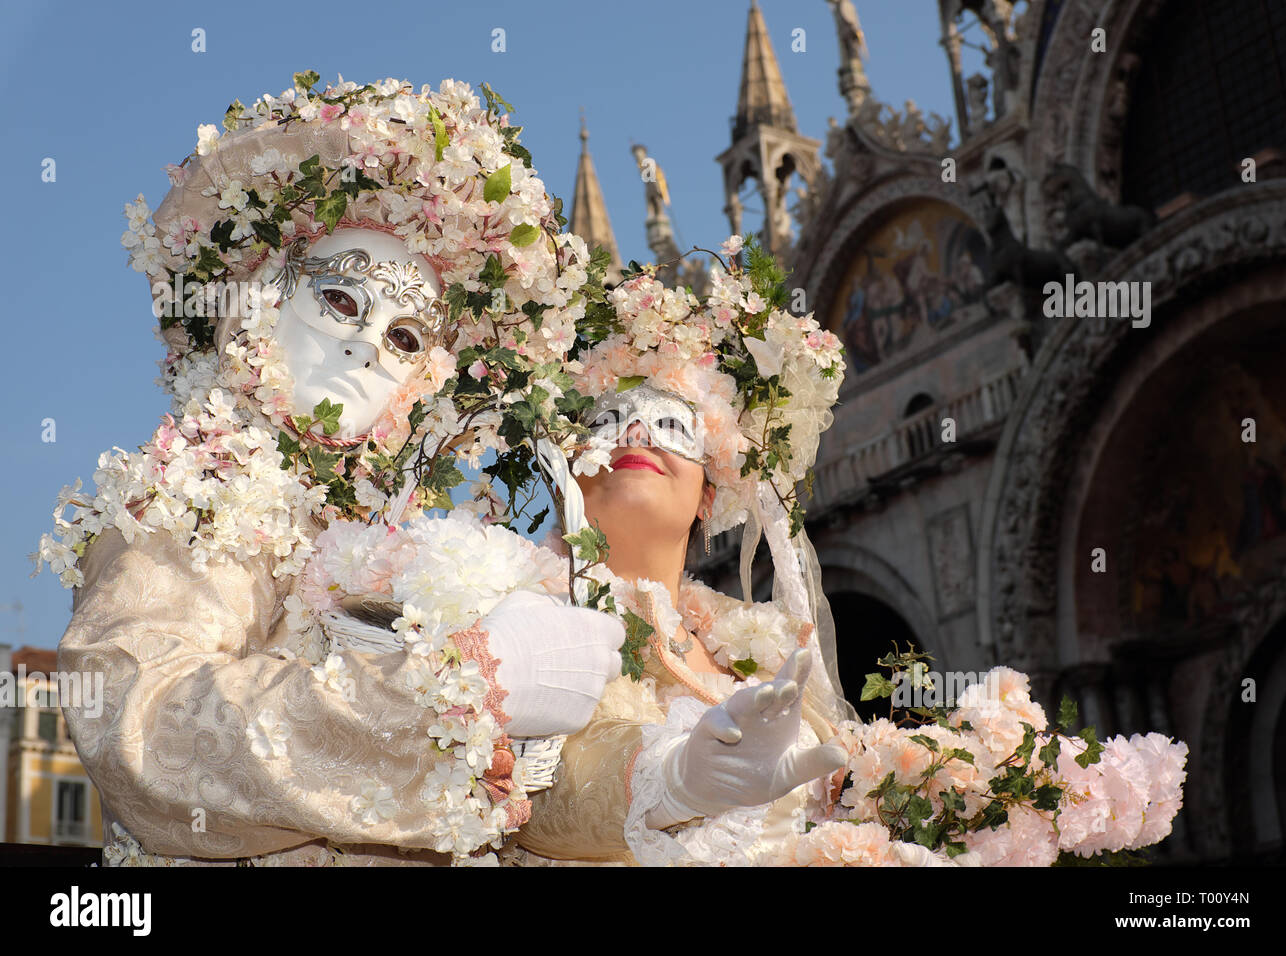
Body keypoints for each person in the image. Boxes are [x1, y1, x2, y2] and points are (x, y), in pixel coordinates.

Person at [40, 73, 624, 866]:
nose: (363, 349)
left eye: (407, 338)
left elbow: (513, 814)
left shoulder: (375, 534)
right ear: (260, 300)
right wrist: (452, 690)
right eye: (343, 303)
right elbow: (143, 726)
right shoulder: (200, 490)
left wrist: (669, 780)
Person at [508, 248, 858, 866]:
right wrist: (671, 784)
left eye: (670, 425)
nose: (636, 434)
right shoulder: (518, 610)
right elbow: (517, 799)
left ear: (710, 492)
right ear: (570, 469)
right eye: (609, 421)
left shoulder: (761, 649)